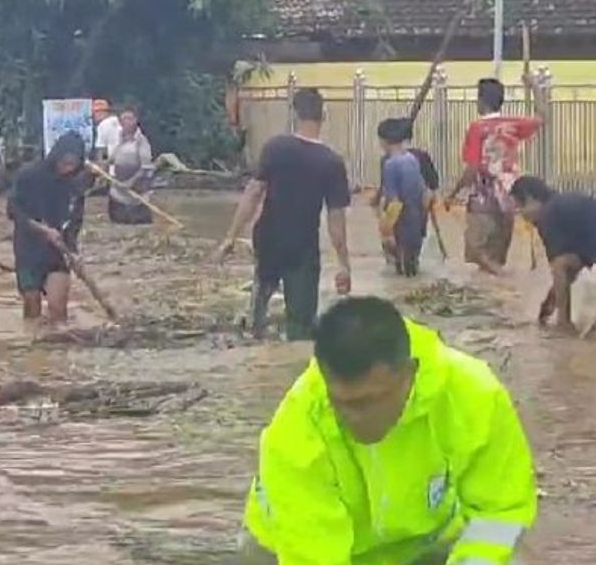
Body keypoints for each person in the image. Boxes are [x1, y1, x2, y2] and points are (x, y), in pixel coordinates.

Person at [239, 296, 536, 565]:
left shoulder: (474, 395)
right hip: (290, 548)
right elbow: (313, 554)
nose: (351, 418)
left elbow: (500, 512)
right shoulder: (296, 429)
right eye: (339, 403)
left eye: (366, 402)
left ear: (409, 374)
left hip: (424, 543)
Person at [215, 88, 352, 341]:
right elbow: (336, 221)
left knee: (259, 306)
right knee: (301, 326)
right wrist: (343, 264)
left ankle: (254, 353)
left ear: (295, 113)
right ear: (324, 116)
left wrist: (230, 238)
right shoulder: (331, 162)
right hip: (303, 248)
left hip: (267, 239)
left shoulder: (275, 148)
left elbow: (252, 194)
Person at [511, 176, 596, 340]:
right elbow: (572, 263)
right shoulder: (563, 204)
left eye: (520, 207)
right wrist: (551, 301)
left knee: (594, 337)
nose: (521, 215)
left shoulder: (547, 217)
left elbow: (560, 268)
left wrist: (563, 321)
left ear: (531, 199)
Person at [446, 79, 542, 275]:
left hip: (484, 198)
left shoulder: (477, 128)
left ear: (481, 101)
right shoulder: (514, 124)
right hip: (510, 197)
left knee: (475, 251)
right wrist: (534, 87)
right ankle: (498, 290)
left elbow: (472, 168)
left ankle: (505, 281)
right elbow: (542, 117)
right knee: (496, 257)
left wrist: (453, 193)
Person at [8, 131, 87, 324]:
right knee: (32, 305)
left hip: (58, 252)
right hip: (28, 249)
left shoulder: (76, 185)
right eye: (64, 162)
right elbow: (13, 211)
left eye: (73, 164)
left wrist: (73, 251)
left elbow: (74, 222)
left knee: (58, 308)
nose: (67, 168)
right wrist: (42, 229)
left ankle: (58, 349)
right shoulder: (29, 175)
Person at [377, 118, 428, 276]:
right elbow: (423, 193)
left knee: (401, 269)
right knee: (413, 265)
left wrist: (387, 231)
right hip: (417, 218)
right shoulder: (412, 160)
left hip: (402, 221)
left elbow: (394, 202)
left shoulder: (390, 164)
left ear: (384, 141)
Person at [107, 106, 154, 225]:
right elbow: (111, 160)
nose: (126, 122)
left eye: (129, 118)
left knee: (138, 223)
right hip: (118, 191)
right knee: (118, 222)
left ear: (136, 120)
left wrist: (130, 182)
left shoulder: (142, 141)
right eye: (123, 119)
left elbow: (145, 168)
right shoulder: (119, 139)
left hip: (136, 194)